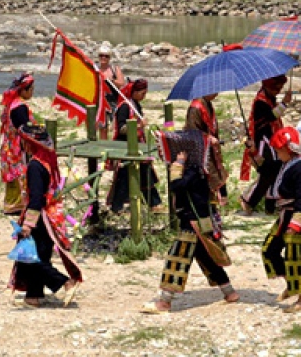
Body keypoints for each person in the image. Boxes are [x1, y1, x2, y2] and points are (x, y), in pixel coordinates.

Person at [141, 129, 238, 314]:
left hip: (192, 224)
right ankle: (229, 292)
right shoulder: (199, 170)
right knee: (207, 258)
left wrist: (178, 165)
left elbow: (176, 186)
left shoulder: (193, 172)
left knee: (176, 259)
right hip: (200, 221)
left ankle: (165, 302)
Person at [8, 123, 82, 308]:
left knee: (30, 257)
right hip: (52, 215)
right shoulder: (48, 162)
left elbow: (36, 198)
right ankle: (33, 296)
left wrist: (28, 224)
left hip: (40, 217)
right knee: (38, 254)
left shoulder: (35, 166)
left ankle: (65, 282)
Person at [261, 127, 301, 313]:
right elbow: (264, 169)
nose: (277, 154)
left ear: (289, 149)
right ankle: (291, 284)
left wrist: (296, 223)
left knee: (294, 257)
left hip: (296, 215)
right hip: (284, 215)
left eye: (279, 150)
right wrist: (253, 153)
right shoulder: (284, 164)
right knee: (269, 250)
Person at [107, 79, 162, 213]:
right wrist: (138, 126)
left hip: (137, 146)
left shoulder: (136, 105)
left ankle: (154, 203)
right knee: (124, 178)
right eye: (142, 93)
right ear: (135, 92)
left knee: (145, 174)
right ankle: (116, 206)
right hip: (126, 147)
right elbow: (121, 128)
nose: (144, 96)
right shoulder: (125, 107)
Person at [240, 75, 292, 215]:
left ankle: (270, 205)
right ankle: (248, 200)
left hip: (271, 141)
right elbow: (271, 116)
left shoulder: (269, 98)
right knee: (267, 173)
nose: (277, 91)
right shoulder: (260, 102)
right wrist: (284, 103)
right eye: (275, 88)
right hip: (263, 142)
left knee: (275, 171)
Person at [0, 73, 36, 216]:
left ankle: (11, 204)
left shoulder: (11, 104)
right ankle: (18, 204)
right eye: (31, 89)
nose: (33, 92)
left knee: (12, 175)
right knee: (19, 173)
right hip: (17, 146)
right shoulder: (20, 107)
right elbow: (24, 129)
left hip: (9, 144)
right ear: (24, 90)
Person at [185, 92, 228, 205]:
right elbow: (192, 131)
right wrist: (208, 138)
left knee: (217, 172)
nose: (217, 94)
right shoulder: (195, 108)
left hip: (210, 148)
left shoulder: (208, 104)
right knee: (207, 176)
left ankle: (215, 203)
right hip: (200, 150)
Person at [95, 45, 126, 140]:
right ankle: (103, 146)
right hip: (100, 101)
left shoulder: (114, 69)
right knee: (102, 127)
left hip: (113, 101)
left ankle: (115, 144)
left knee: (115, 126)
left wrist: (110, 80)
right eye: (101, 56)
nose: (103, 58)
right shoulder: (95, 69)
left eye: (106, 56)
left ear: (109, 58)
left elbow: (121, 83)